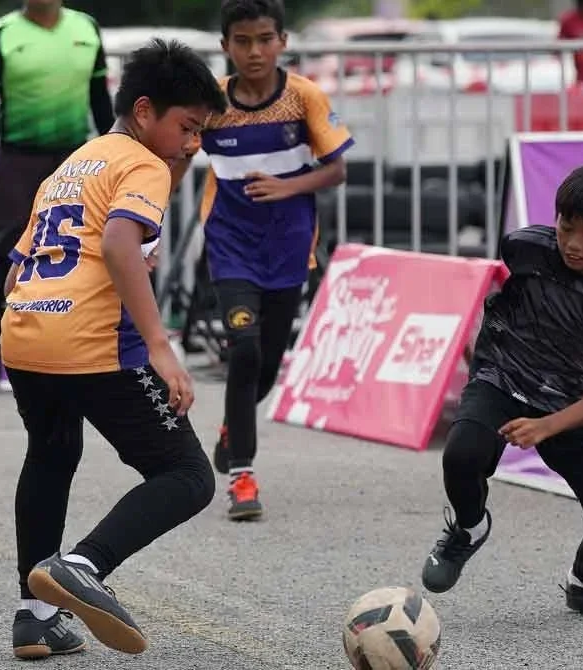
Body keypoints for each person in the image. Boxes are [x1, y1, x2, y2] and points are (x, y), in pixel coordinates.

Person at [0, 38, 227, 660]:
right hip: (89, 341)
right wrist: (160, 346)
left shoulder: (76, 163)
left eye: (201, 133)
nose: (191, 144)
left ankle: (36, 615)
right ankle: (82, 565)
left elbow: (17, 269)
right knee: (186, 475)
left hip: (24, 333)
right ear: (146, 110)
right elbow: (120, 247)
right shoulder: (141, 165)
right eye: (186, 127)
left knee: (50, 456)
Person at [420, 156, 583, 621]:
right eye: (567, 227)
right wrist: (476, 341)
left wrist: (547, 426)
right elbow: (497, 292)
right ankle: (469, 527)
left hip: (567, 407)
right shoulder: (524, 247)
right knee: (461, 456)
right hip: (502, 378)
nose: (573, 244)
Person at [172, 0, 353, 520]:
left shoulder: (304, 97)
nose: (255, 51)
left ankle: (234, 426)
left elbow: (336, 171)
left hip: (289, 246)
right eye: (243, 41)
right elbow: (181, 158)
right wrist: (148, 225)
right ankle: (242, 478)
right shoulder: (211, 101)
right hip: (230, 245)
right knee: (245, 351)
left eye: (265, 40)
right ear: (225, 45)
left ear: (283, 42)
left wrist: (287, 186)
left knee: (268, 368)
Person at [0, 0, 115, 395]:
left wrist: (118, 156)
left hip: (75, 159)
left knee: (81, 259)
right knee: (7, 261)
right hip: (18, 162)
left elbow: (101, 101)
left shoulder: (87, 29)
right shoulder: (2, 35)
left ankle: (75, 356)